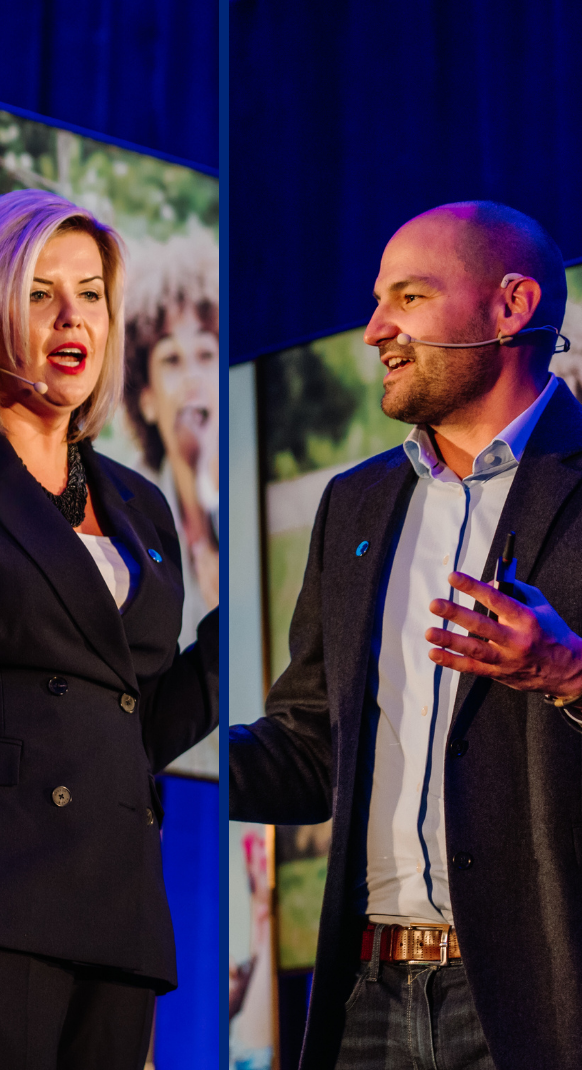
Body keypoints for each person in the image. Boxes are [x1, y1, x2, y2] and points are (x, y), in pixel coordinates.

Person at [0, 189, 219, 1070]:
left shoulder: (139, 502)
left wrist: (231, 647)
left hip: (113, 903)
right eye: (39, 293)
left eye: (92, 293)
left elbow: (133, 721)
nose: (74, 318)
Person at [230, 201, 582, 1069]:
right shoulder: (355, 504)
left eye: (410, 297)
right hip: (367, 1001)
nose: (375, 329)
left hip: (544, 998)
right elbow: (312, 749)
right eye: (378, 300)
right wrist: (157, 756)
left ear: (511, 306)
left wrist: (568, 669)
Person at [123, 231, 219, 641]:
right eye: (172, 360)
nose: (193, 378)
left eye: (205, 354)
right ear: (146, 398)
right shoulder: (125, 517)